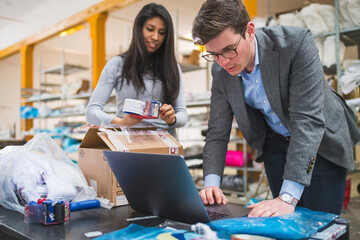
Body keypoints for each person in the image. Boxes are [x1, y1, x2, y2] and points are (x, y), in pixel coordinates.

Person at [192, 0, 360, 217]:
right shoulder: (220, 71)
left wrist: (288, 197)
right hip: (275, 143)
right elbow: (217, 131)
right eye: (213, 54)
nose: (222, 62)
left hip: (320, 141)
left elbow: (307, 121)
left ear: (250, 31)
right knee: (283, 221)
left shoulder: (295, 44)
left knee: (320, 222)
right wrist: (211, 184)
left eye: (228, 50)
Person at [86, 3, 187, 138]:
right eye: (150, 29)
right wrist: (120, 122)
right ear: (139, 29)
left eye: (162, 33)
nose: (156, 37)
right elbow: (91, 112)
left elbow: (183, 114)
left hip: (165, 146)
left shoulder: (173, 68)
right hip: (129, 144)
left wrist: (172, 119)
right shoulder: (117, 64)